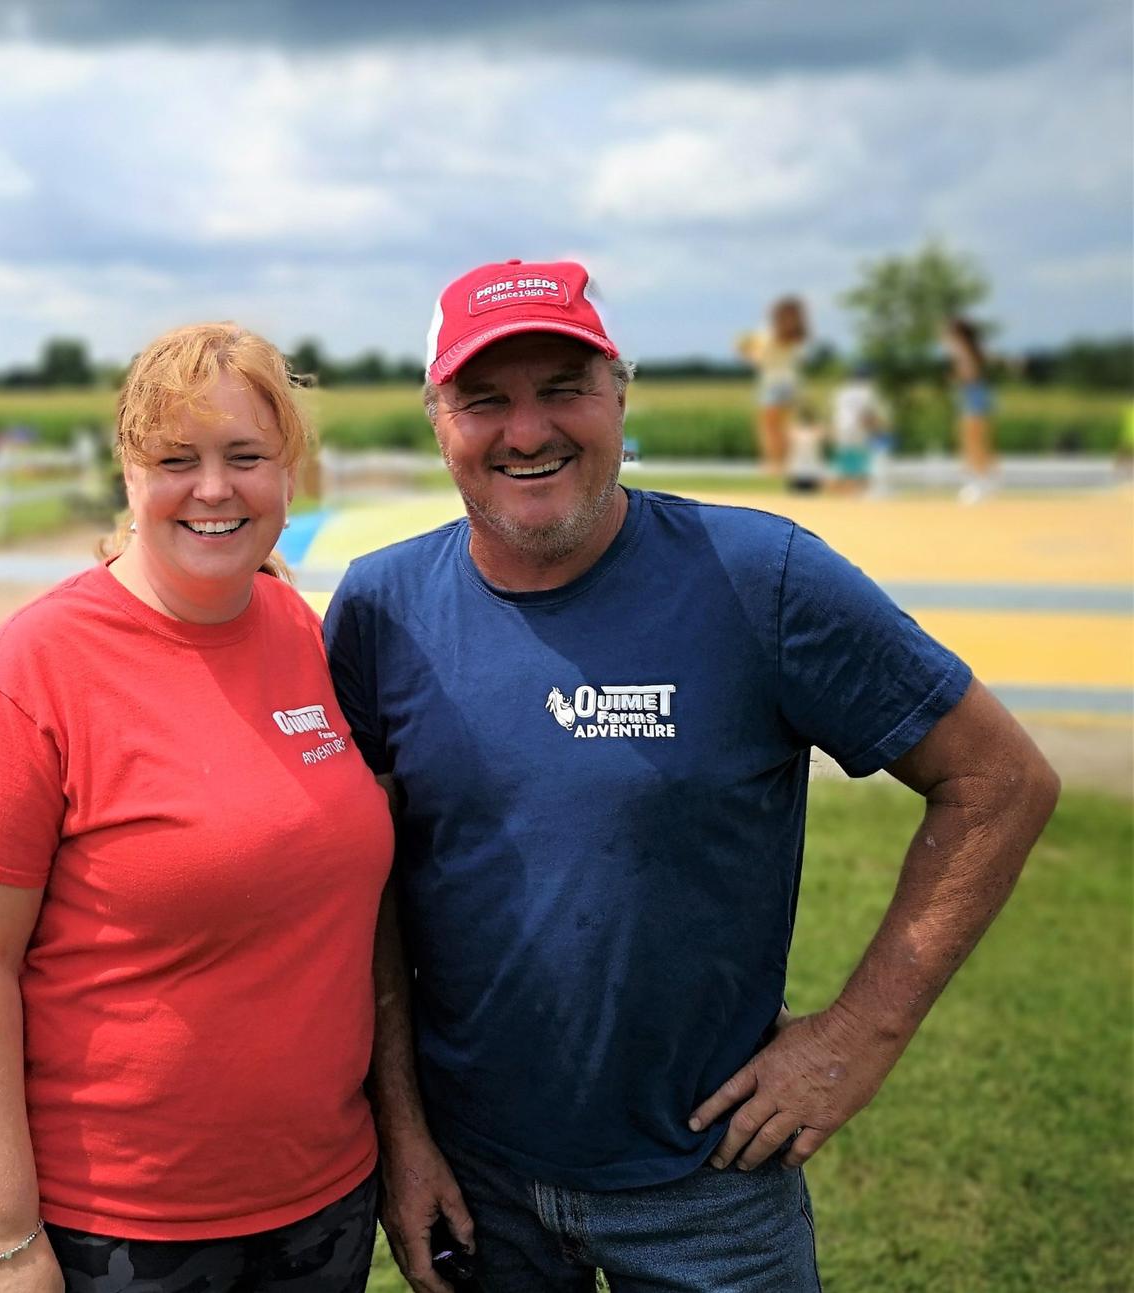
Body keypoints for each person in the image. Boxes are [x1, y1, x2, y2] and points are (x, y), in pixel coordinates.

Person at [326, 258, 1060, 1293]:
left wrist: (858, 1035)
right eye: (483, 400)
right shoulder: (379, 609)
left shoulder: (759, 577)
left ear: (620, 396)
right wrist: (402, 1133)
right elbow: (365, 894)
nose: (526, 432)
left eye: (563, 389)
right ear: (437, 422)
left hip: (710, 1186)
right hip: (473, 1176)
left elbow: (1000, 781)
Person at [0, 322, 393, 1292]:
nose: (213, 489)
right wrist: (2, 1240)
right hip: (117, 1230)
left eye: (244, 456)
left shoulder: (301, 632)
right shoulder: (25, 674)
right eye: (177, 459)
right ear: (128, 471)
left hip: (323, 1201)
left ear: (287, 472)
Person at [737, 296, 809, 475]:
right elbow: (799, 359)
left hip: (771, 382)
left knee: (768, 428)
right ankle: (787, 463)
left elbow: (759, 359)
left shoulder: (768, 333)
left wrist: (745, 352)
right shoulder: (798, 336)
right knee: (785, 428)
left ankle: (773, 464)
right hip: (792, 383)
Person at [945, 316, 996, 502]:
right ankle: (984, 482)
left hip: (972, 397)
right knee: (978, 442)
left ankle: (978, 483)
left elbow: (969, 374)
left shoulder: (963, 351)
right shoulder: (973, 349)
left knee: (971, 442)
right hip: (977, 396)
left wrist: (955, 377)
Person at [830, 361, 890, 497]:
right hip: (858, 428)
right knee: (861, 461)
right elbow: (867, 415)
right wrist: (879, 429)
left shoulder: (842, 391)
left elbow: (838, 413)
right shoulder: (867, 391)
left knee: (844, 461)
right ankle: (859, 492)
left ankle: (842, 492)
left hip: (841, 428)